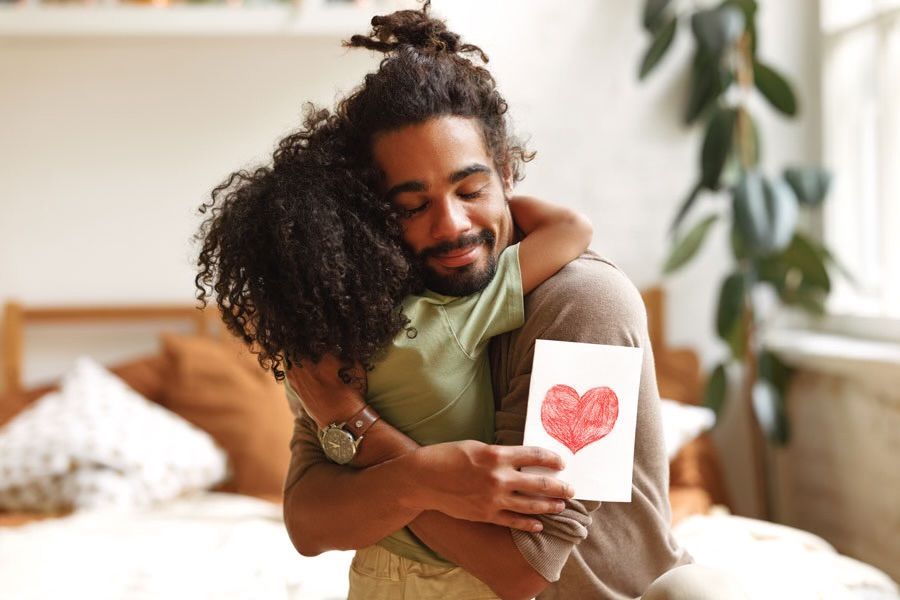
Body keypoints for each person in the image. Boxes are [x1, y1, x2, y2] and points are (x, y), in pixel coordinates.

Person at [195, 4, 748, 599]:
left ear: (508, 173)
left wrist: (355, 427)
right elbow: (308, 521)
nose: (451, 224)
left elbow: (521, 566)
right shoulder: (357, 312)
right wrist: (419, 479)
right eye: (412, 205)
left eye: (471, 188)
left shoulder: (583, 303)